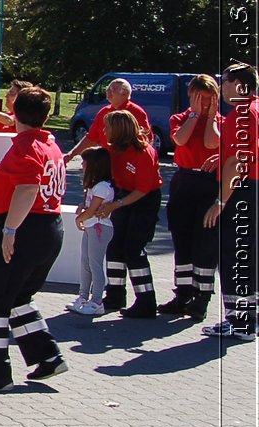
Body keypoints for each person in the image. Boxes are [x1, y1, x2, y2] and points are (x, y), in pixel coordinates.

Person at [0, 86, 68, 389]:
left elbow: (28, 187)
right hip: (49, 229)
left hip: (25, 230)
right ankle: (47, 357)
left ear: (14, 113)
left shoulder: (26, 146)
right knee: (19, 296)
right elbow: (26, 181)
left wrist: (9, 230)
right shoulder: (49, 143)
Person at [201, 63, 257, 342]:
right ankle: (247, 318)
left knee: (235, 255)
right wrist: (221, 158)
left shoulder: (241, 114)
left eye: (223, 83)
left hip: (243, 192)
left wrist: (220, 202)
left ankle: (240, 321)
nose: (220, 88)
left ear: (239, 85)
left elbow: (238, 162)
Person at [162, 75, 221, 319]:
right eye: (201, 98)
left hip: (209, 184)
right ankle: (182, 293)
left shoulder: (220, 121)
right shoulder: (180, 118)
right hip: (184, 181)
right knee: (182, 240)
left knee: (205, 243)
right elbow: (180, 139)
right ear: (192, 96)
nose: (205, 103)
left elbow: (211, 143)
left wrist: (210, 117)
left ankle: (202, 297)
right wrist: (195, 115)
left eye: (210, 98)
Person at [98, 109, 163, 317]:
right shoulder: (112, 150)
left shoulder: (143, 152)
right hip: (123, 195)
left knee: (133, 250)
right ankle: (115, 296)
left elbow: (143, 189)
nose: (104, 130)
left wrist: (116, 204)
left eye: (107, 127)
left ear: (119, 130)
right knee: (115, 246)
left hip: (144, 200)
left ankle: (146, 301)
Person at [67, 148, 114, 317]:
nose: (82, 165)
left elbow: (93, 210)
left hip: (99, 228)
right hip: (91, 227)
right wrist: (82, 209)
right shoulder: (95, 185)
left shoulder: (102, 186)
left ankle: (96, 302)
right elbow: (88, 206)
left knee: (95, 265)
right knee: (85, 263)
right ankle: (82, 297)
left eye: (84, 162)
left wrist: (79, 218)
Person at [65, 77, 152, 162]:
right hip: (107, 164)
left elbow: (146, 142)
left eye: (112, 89)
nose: (108, 92)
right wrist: (71, 154)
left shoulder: (137, 113)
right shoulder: (104, 112)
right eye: (107, 89)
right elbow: (91, 138)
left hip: (128, 165)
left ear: (124, 93)